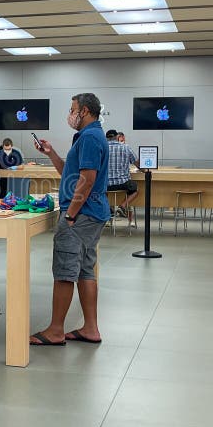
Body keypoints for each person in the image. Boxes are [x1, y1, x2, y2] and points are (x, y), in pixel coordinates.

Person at [30, 93, 110, 346]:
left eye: (72, 109)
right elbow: (70, 173)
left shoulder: (89, 137)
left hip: (81, 214)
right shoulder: (90, 136)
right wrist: (51, 153)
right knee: (86, 269)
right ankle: (90, 328)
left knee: (65, 271)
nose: (70, 113)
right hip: (93, 212)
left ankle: (55, 330)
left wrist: (72, 214)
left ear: (84, 111)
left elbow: (86, 180)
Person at [105, 129, 140, 218]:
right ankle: (122, 206)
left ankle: (108, 208)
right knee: (135, 189)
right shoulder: (126, 147)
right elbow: (137, 163)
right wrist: (144, 170)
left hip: (106, 184)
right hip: (123, 183)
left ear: (106, 138)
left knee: (100, 191)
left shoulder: (101, 148)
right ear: (117, 137)